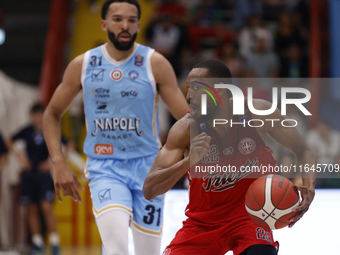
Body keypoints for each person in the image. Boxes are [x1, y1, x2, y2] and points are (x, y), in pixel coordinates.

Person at [42, 1, 189, 255]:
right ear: (104, 24)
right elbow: (51, 113)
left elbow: (186, 119)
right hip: (105, 168)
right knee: (116, 249)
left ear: (139, 25)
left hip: (149, 170)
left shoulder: (155, 63)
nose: (125, 25)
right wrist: (57, 162)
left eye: (132, 20)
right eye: (118, 19)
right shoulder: (84, 64)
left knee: (148, 252)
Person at [143, 60, 316, 255]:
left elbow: (303, 150)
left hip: (249, 219)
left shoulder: (257, 114)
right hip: (202, 224)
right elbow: (149, 189)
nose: (189, 96)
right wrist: (188, 162)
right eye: (189, 88)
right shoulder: (185, 129)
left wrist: (309, 187)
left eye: (197, 89)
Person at [6, 103, 73, 255]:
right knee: (31, 208)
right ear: (31, 116)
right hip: (29, 174)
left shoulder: (49, 130)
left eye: (39, 115)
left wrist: (52, 162)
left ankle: (55, 242)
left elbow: (69, 144)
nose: (36, 118)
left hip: (43, 176)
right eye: (34, 115)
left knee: (46, 207)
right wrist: (21, 158)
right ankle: (37, 243)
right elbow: (9, 140)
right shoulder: (27, 130)